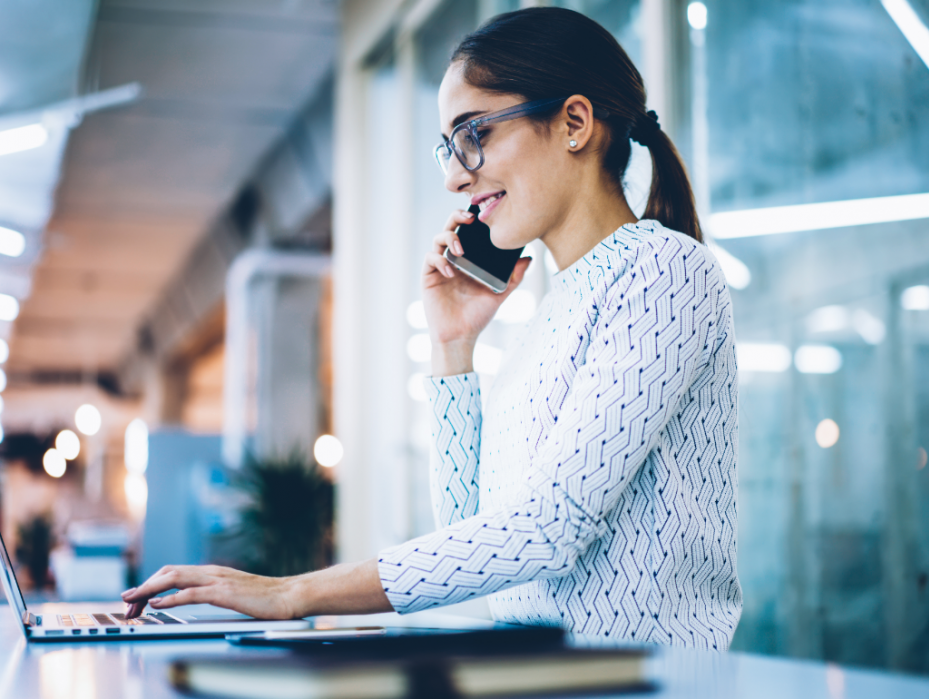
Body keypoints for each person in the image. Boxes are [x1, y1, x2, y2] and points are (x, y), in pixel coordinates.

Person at [124, 6, 741, 649]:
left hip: (652, 683)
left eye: (473, 134)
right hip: (549, 677)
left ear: (574, 123)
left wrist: (291, 592)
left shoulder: (664, 270)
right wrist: (454, 345)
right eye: (450, 147)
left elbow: (549, 529)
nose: (454, 176)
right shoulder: (548, 315)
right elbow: (474, 538)